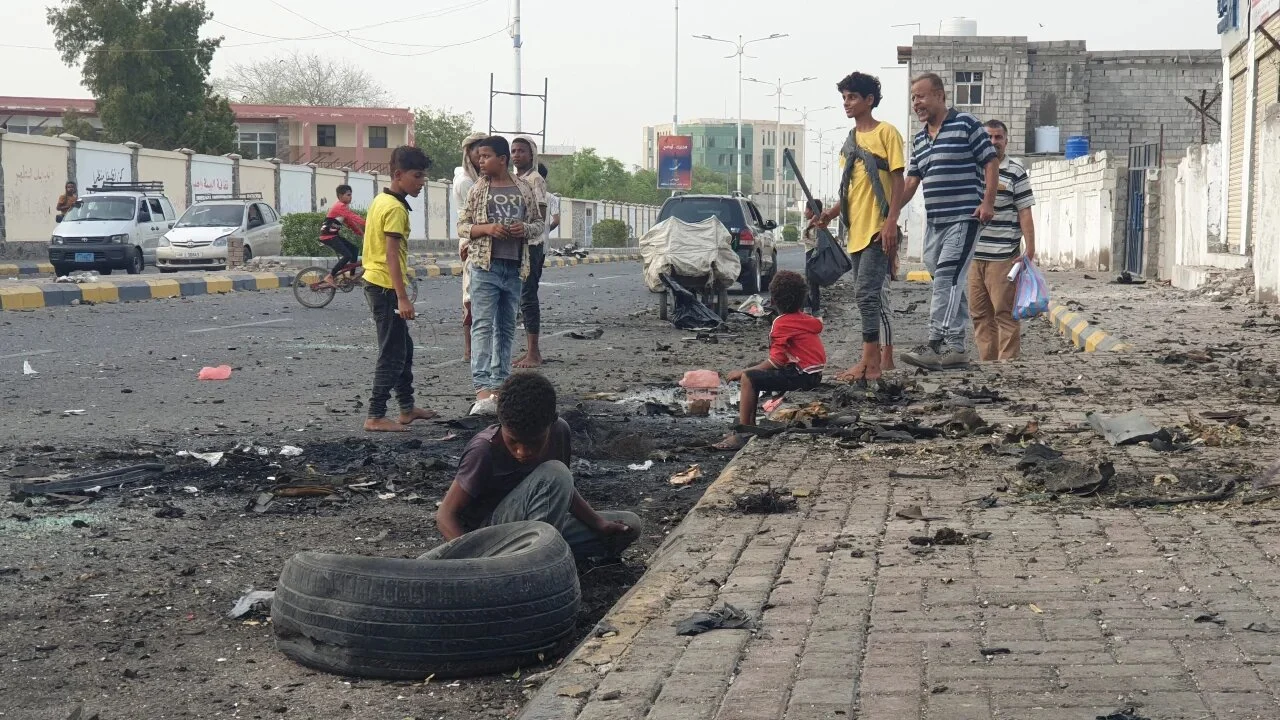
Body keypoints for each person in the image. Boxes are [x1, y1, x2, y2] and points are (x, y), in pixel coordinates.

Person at [435, 372, 641, 560]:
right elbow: (445, 515)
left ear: (551, 423)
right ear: (501, 423)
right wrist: (475, 562)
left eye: (533, 442)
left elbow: (562, 490)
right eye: (514, 442)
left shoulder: (559, 432)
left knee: (630, 525)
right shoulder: (484, 450)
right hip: (490, 540)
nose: (523, 452)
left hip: (536, 531)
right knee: (556, 474)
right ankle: (534, 565)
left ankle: (540, 557)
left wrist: (598, 523)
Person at [898, 72, 999, 371]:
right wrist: (888, 215)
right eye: (913, 97)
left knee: (946, 279)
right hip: (935, 223)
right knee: (949, 281)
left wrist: (988, 203)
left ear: (941, 96)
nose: (917, 102)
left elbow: (990, 162)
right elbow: (911, 183)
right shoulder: (919, 140)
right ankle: (956, 347)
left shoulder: (966, 123)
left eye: (922, 95)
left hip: (965, 217)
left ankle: (934, 344)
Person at [814, 72, 905, 383]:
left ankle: (872, 363)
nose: (847, 103)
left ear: (869, 100)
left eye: (852, 97)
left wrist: (891, 222)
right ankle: (870, 360)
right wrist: (830, 214)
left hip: (879, 229)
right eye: (844, 98)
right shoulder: (850, 142)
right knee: (864, 294)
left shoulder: (887, 133)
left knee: (867, 293)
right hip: (856, 231)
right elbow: (851, 191)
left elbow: (897, 180)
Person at [458, 136, 545, 416]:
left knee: (506, 327)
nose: (480, 161)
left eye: (485, 157)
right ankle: (482, 388)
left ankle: (500, 384)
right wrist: (487, 229)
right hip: (485, 267)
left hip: (515, 267)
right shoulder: (477, 190)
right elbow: (463, 226)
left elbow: (538, 224)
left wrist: (525, 229)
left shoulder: (524, 189)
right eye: (479, 157)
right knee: (482, 325)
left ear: (502, 159)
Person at [361, 146, 437, 433]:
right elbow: (391, 255)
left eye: (423, 176)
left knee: (405, 349)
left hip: (379, 283)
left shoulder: (382, 200)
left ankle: (406, 408)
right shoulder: (394, 208)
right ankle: (375, 414)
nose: (421, 182)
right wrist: (403, 297)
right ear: (398, 175)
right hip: (384, 288)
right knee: (392, 352)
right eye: (417, 176)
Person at [716, 271, 826, 451]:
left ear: (773, 300)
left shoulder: (781, 323)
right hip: (814, 375)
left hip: (800, 376)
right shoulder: (808, 320)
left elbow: (776, 361)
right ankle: (750, 426)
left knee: (749, 379)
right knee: (755, 373)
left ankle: (743, 433)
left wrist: (743, 372)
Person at [969, 119, 1037, 361]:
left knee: (1004, 314)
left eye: (998, 138)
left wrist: (1030, 248)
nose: (993, 142)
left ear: (1006, 141)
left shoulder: (1016, 171)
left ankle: (1007, 366)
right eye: (988, 137)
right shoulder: (973, 169)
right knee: (980, 315)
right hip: (974, 257)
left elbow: (1025, 211)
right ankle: (988, 365)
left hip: (1003, 258)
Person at [511, 137, 550, 369]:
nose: (517, 155)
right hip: (517, 245)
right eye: (513, 151)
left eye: (521, 151)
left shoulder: (535, 180)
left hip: (531, 245)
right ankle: (528, 351)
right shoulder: (515, 179)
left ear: (531, 155)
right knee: (519, 297)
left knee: (528, 297)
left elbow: (540, 215)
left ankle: (534, 352)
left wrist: (522, 228)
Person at [455, 132, 487, 363]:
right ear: (469, 153)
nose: (483, 158)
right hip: (472, 241)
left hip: (480, 239)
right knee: (471, 294)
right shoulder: (467, 182)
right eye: (480, 153)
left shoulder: (477, 179)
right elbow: (476, 216)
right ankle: (469, 350)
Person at [320, 184, 366, 285]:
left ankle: (352, 276)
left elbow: (350, 223)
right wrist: (368, 223)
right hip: (328, 237)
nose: (350, 197)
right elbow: (353, 216)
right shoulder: (339, 206)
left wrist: (362, 234)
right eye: (348, 195)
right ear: (340, 196)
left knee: (354, 250)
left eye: (351, 195)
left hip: (333, 236)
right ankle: (330, 276)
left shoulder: (343, 208)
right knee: (347, 255)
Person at [801, 202, 823, 315]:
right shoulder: (812, 224)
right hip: (810, 254)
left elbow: (817, 243)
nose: (805, 212)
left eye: (806, 209)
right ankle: (813, 308)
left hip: (812, 255)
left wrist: (806, 238)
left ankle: (811, 308)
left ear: (812, 211)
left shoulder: (817, 225)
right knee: (811, 283)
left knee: (810, 283)